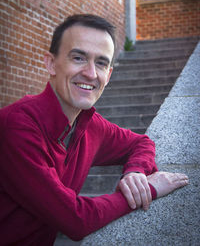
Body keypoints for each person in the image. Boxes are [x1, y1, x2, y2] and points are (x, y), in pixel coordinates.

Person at [0, 14, 188, 245]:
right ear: (51, 63)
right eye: (78, 58)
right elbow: (74, 219)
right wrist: (149, 189)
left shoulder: (91, 125)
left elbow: (142, 143)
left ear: (108, 75)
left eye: (101, 63)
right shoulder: (16, 125)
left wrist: (136, 173)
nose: (90, 73)